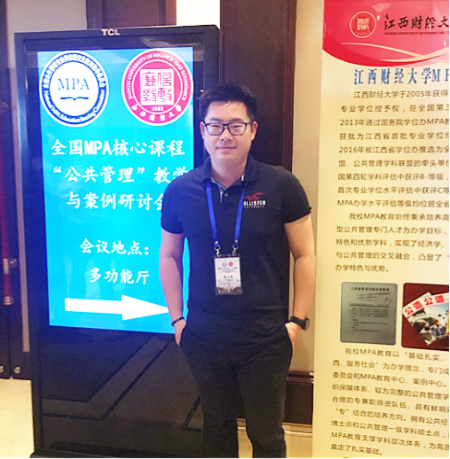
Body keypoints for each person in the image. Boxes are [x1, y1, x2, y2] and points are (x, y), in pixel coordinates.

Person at [160, 84, 316, 458]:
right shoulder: (180, 190)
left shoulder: (281, 185)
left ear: (253, 129)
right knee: (216, 428)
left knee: (266, 434)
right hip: (204, 335)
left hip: (265, 338)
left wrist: (297, 322)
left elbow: (305, 254)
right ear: (203, 130)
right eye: (215, 126)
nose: (225, 135)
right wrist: (178, 321)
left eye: (235, 125)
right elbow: (169, 256)